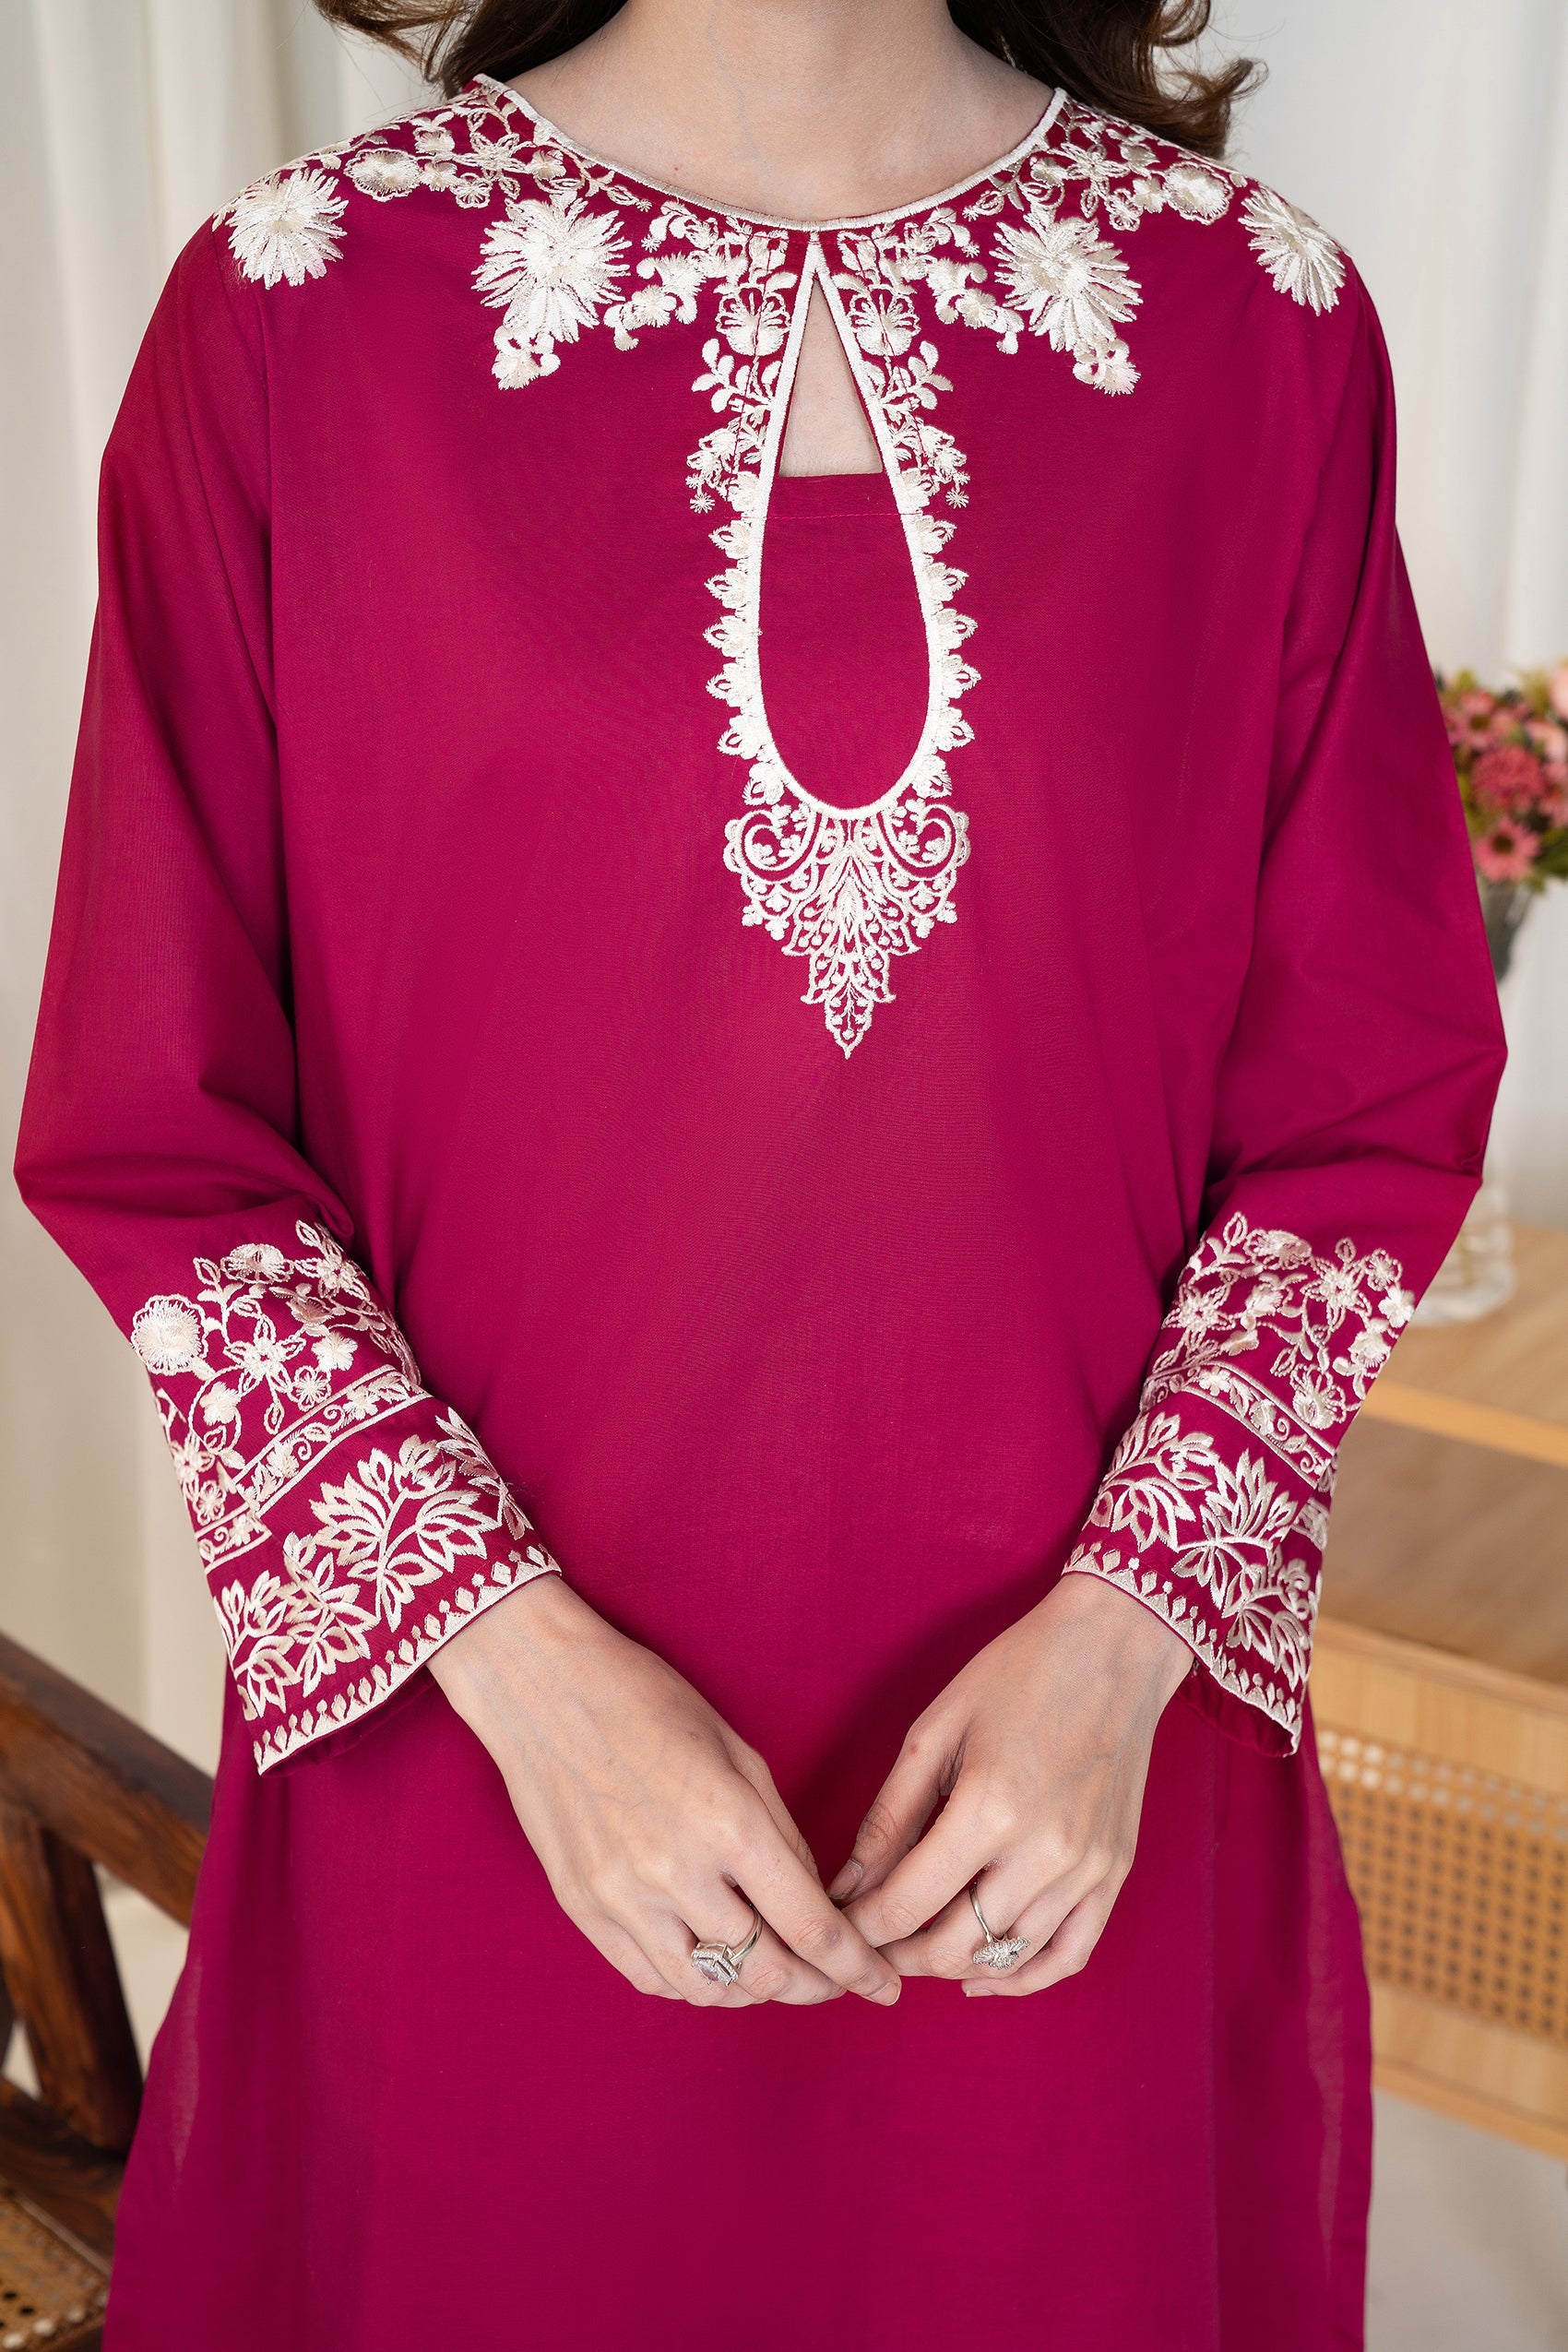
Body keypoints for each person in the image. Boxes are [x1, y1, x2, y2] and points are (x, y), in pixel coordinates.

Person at [15, 0, 1504, 2343]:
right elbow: (159, 1134)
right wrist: (522, 1675)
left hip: (1072, 1796)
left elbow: (1364, 1103)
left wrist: (1125, 1642)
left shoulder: (1255, 323)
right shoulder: (297, 312)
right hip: (500, 1770)